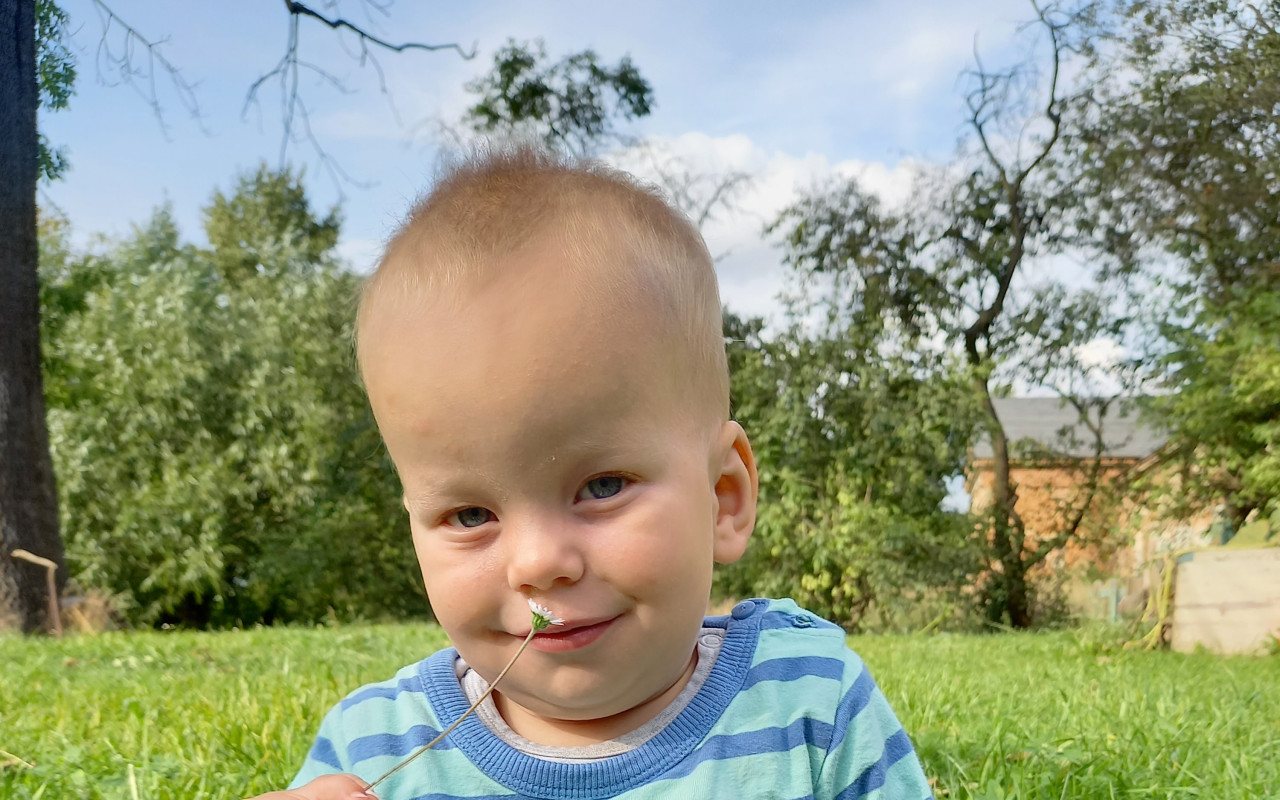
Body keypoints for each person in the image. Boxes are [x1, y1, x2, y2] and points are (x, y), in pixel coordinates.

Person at [251, 145, 933, 800]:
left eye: (601, 487)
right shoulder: (374, 756)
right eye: (469, 515)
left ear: (724, 498)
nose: (539, 563)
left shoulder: (810, 710)